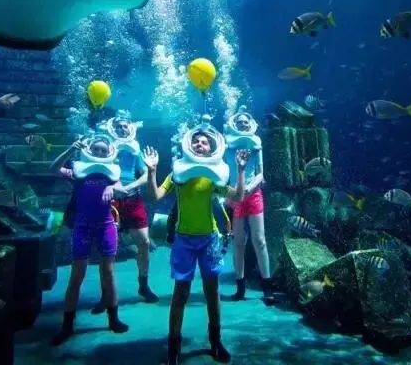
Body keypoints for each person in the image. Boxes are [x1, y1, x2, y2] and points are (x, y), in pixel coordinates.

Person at [144, 132, 249, 365]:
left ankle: (215, 341)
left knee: (212, 291)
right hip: (183, 240)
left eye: (205, 142)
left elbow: (238, 197)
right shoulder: (178, 173)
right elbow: (155, 195)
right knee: (180, 292)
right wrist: (152, 171)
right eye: (196, 141)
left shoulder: (213, 174)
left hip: (210, 239)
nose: (200, 144)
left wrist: (240, 170)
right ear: (188, 145)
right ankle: (173, 346)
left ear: (211, 149)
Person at [49, 136, 129, 346]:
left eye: (104, 150)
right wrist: (70, 150)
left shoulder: (112, 173)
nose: (100, 153)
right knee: (77, 276)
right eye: (96, 149)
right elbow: (53, 169)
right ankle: (67, 326)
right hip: (82, 227)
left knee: (108, 273)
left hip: (106, 226)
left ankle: (113, 319)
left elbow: (122, 188)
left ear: (109, 153)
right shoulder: (79, 172)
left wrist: (112, 187)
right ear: (89, 151)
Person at [91, 117, 158, 313]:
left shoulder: (135, 149)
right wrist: (112, 186)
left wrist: (128, 187)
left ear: (131, 129)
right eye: (118, 127)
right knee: (107, 248)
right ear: (112, 129)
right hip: (110, 201)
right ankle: (105, 294)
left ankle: (144, 285)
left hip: (133, 199)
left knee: (144, 242)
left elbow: (145, 174)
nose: (122, 129)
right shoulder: (105, 147)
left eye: (125, 126)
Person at [223, 111, 275, 304]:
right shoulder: (227, 145)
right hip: (234, 196)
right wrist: (231, 193)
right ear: (234, 125)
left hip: (253, 195)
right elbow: (223, 172)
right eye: (240, 122)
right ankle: (240, 288)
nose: (243, 125)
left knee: (259, 241)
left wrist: (248, 188)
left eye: (246, 122)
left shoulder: (256, 143)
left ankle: (267, 288)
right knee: (238, 242)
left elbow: (260, 173)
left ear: (251, 124)